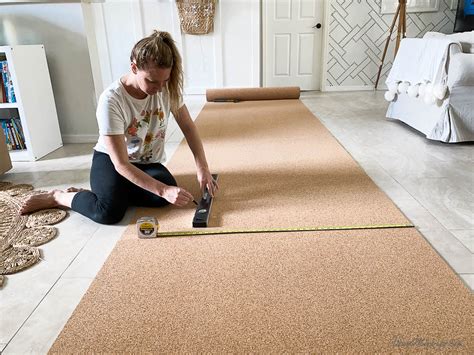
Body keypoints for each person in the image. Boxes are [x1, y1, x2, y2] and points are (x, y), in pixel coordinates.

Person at [20, 30, 218, 224]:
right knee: (108, 212)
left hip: (146, 162)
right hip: (112, 161)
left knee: (161, 198)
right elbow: (121, 164)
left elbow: (188, 127)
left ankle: (111, 191)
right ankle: (59, 197)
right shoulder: (111, 100)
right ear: (134, 67)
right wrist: (162, 189)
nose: (159, 88)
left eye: (164, 80)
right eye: (151, 81)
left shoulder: (167, 89)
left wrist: (203, 167)